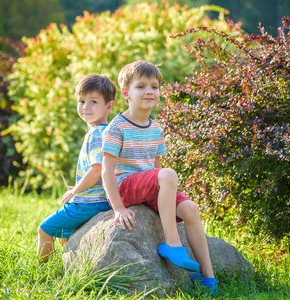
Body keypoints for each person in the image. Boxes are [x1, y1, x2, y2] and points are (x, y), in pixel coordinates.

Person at [101, 60, 218, 294]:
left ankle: (208, 277)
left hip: (148, 186)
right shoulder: (117, 127)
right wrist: (119, 209)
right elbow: (106, 171)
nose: (149, 91)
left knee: (191, 209)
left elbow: (157, 170)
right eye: (141, 86)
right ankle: (172, 244)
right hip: (125, 186)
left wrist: (165, 201)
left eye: (154, 87)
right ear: (126, 93)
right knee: (168, 174)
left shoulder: (156, 128)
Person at [37, 74, 116, 261]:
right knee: (64, 235)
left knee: (45, 229)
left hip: (90, 203)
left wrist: (76, 193)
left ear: (109, 106)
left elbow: (97, 170)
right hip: (98, 198)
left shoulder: (97, 134)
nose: (86, 107)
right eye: (81, 101)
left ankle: (41, 271)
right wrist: (80, 187)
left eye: (93, 101)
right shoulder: (105, 131)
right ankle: (71, 263)